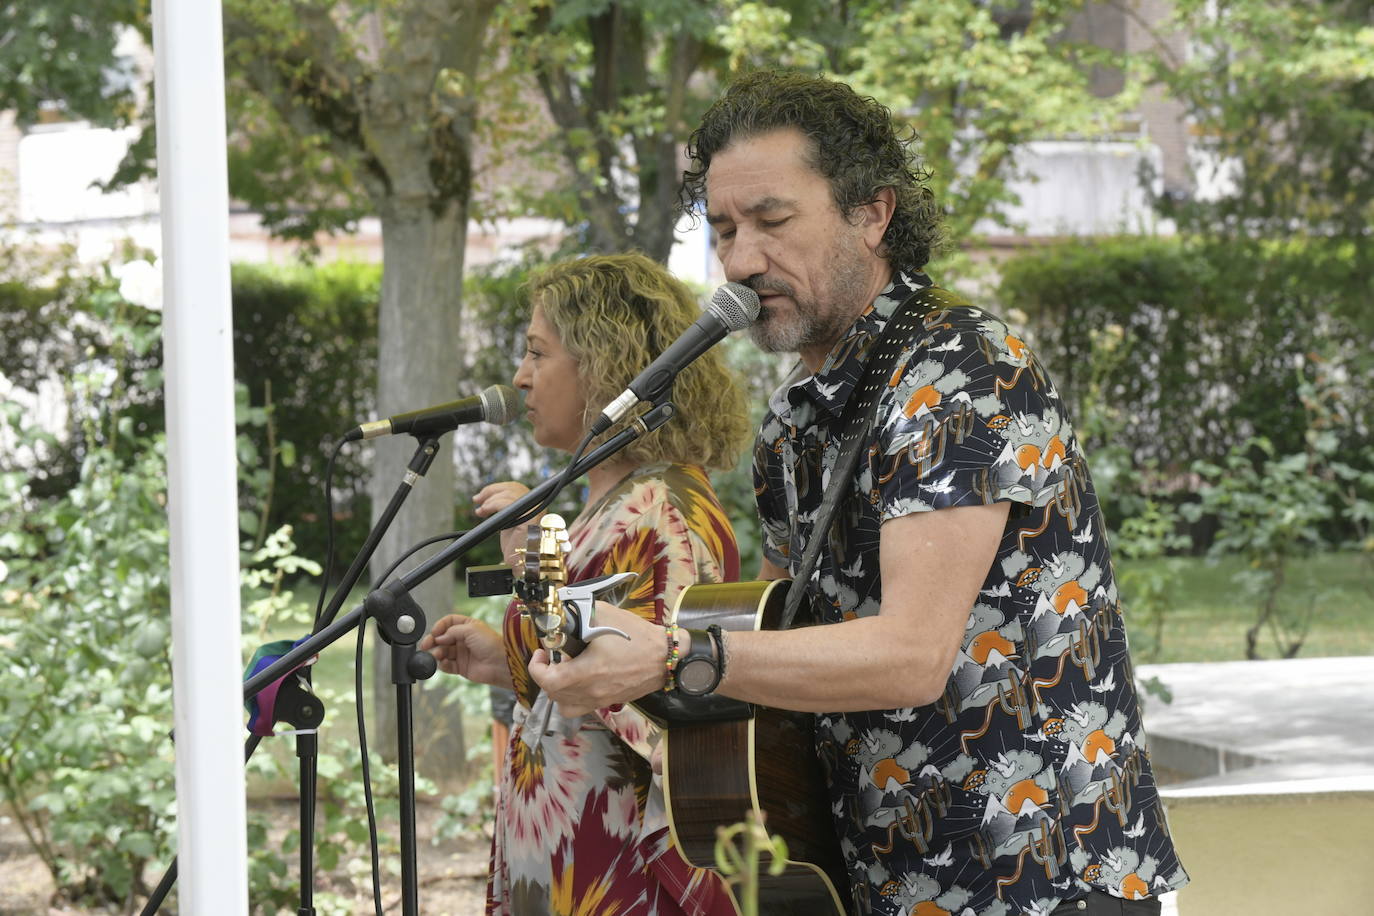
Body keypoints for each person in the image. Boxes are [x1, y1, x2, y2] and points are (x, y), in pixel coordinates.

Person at [528, 71, 1190, 916]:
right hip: (875, 880)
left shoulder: (958, 371)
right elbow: (776, 644)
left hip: (1035, 881)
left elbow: (911, 656)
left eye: (772, 221)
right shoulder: (791, 427)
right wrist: (628, 663)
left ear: (871, 213)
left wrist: (669, 655)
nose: (740, 260)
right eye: (725, 229)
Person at [418, 252, 751, 915]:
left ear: (603, 366)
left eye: (538, 354)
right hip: (567, 861)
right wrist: (505, 661)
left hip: (621, 877)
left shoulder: (663, 513)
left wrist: (533, 584)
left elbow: (666, 704)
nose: (519, 377)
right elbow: (583, 676)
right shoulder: (611, 506)